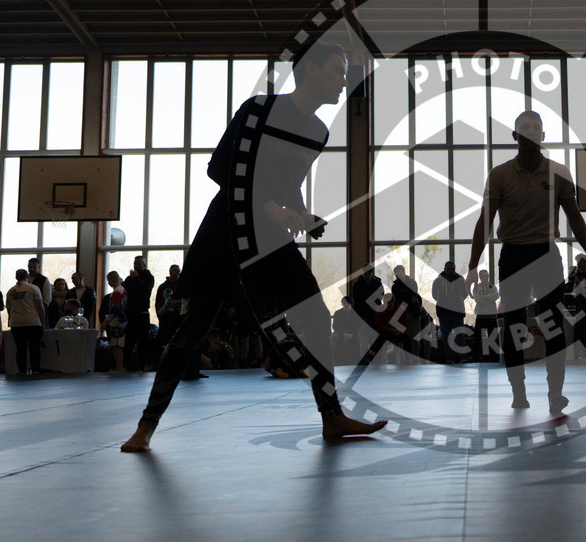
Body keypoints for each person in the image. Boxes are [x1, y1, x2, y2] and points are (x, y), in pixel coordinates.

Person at [122, 41, 387, 452]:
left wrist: (301, 214)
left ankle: (331, 416)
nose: (342, 80)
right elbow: (220, 168)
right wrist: (270, 208)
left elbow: (290, 184)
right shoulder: (258, 110)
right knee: (192, 333)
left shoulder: (318, 132)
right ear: (310, 71)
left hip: (269, 238)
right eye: (337, 70)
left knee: (316, 316)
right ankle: (146, 426)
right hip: (225, 232)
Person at [466, 109, 586, 414]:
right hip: (512, 254)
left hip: (545, 254)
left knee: (553, 326)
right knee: (513, 327)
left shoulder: (560, 172)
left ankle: (555, 394)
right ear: (515, 136)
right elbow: (485, 221)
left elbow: (574, 215)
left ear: (542, 136)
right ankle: (519, 392)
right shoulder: (499, 175)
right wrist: (473, 265)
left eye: (534, 127)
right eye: (523, 127)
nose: (529, 131)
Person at [7, 269, 46, 376]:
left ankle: (22, 371)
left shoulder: (10, 291)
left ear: (16, 277)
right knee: (34, 348)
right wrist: (43, 323)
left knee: (20, 348)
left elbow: (9, 309)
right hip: (32, 321)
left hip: (17, 323)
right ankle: (36, 370)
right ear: (27, 277)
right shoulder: (33, 288)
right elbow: (40, 307)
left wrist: (13, 321)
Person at [123, 255, 155, 371]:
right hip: (130, 312)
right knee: (128, 340)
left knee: (143, 341)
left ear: (144, 265)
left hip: (142, 312)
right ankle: (128, 364)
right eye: (135, 264)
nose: (136, 266)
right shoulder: (129, 279)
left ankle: (141, 364)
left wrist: (136, 279)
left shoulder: (149, 278)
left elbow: (145, 291)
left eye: (139, 264)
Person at [432, 261, 468, 363]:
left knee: (460, 337)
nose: (451, 271)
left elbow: (465, 294)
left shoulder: (460, 280)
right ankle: (450, 359)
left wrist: (457, 302)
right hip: (444, 313)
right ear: (444, 269)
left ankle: (463, 358)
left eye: (453, 269)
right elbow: (434, 295)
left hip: (457, 312)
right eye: (449, 269)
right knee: (447, 338)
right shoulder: (438, 281)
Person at [99, 271, 128, 373]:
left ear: (113, 279)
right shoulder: (122, 290)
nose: (108, 283)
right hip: (121, 319)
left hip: (117, 321)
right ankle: (119, 366)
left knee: (116, 345)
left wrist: (105, 321)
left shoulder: (117, 292)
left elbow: (114, 308)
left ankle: (119, 367)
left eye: (108, 280)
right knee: (117, 344)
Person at [469, 268, 500, 362]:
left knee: (493, 337)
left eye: (487, 276)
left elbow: (496, 296)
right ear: (480, 277)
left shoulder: (493, 287)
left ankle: (494, 358)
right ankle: (476, 357)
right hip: (481, 315)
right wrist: (489, 299)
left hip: (491, 315)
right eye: (484, 276)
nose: (486, 278)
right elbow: (478, 300)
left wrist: (484, 297)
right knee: (478, 338)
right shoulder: (476, 288)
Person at [154, 264, 183, 359]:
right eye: (176, 271)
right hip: (165, 322)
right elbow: (160, 308)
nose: (178, 274)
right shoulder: (163, 287)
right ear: (170, 272)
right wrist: (168, 305)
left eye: (179, 271)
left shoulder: (181, 287)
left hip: (178, 321)